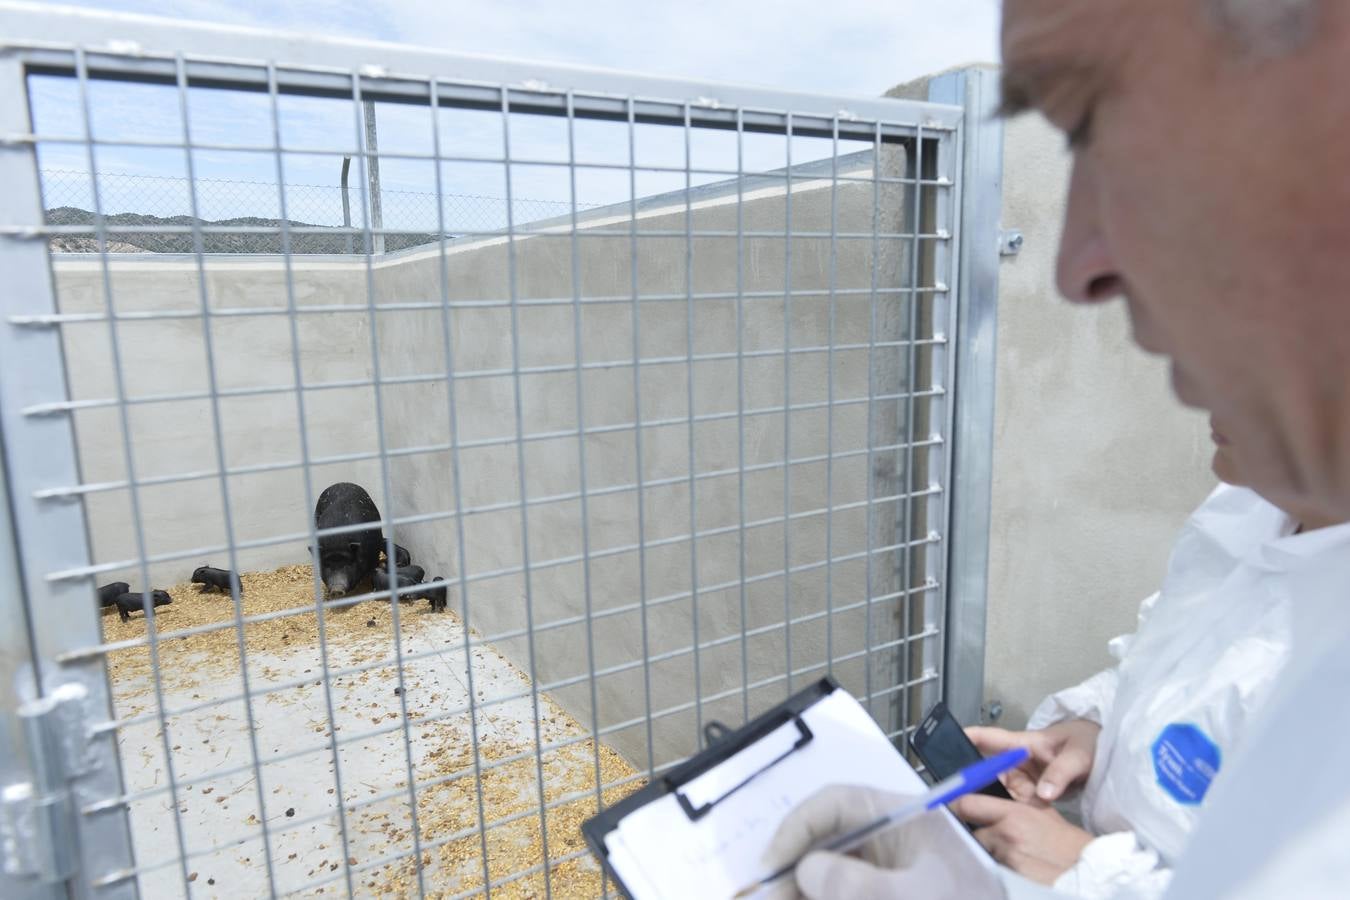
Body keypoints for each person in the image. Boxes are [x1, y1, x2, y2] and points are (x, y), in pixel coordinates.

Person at [760, 0, 1350, 897]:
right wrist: (1100, 729)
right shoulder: (1255, 502)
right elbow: (1191, 654)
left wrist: (1094, 876)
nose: (1076, 264)